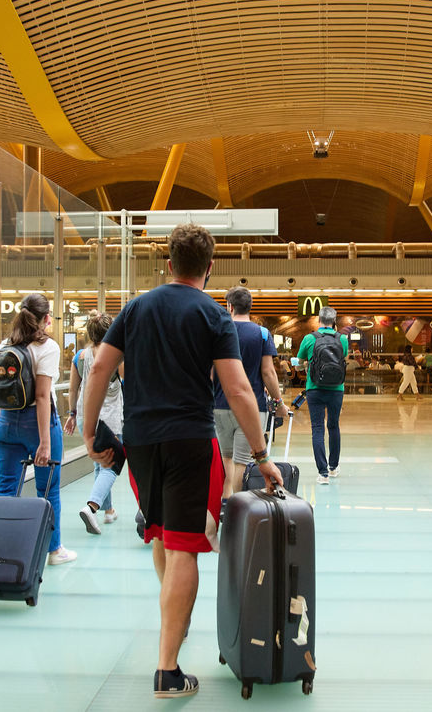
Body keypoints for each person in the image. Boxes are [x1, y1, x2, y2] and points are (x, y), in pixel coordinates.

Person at [80, 224, 280, 699]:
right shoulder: (213, 317)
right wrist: (261, 455)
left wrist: (89, 432)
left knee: (161, 534)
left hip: (142, 443)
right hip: (190, 440)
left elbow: (100, 369)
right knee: (185, 546)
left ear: (168, 263)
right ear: (209, 269)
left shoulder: (135, 308)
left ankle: (175, 619)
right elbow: (237, 390)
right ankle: (167, 670)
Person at [0, 293, 75, 566]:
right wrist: (44, 443)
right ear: (46, 318)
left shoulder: (6, 344)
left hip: (6, 423)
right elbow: (42, 396)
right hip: (37, 425)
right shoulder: (48, 347)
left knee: (6, 489)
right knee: (48, 490)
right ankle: (54, 550)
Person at [214, 286, 289, 498]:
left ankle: (225, 503)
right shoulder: (262, 333)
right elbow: (268, 373)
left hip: (220, 405)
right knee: (241, 461)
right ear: (250, 306)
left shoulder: (218, 332)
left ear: (229, 306)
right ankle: (237, 507)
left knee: (226, 458)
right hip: (252, 407)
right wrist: (278, 402)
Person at [65, 311, 126, 534]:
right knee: (112, 464)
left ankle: (108, 511)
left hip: (84, 416)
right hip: (109, 419)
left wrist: (72, 414)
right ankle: (92, 506)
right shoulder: (116, 356)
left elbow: (73, 389)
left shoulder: (79, 356)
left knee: (99, 463)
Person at [297, 306, 348, 484]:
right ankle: (333, 467)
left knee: (317, 428)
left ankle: (323, 473)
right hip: (336, 389)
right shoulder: (342, 339)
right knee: (333, 426)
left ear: (319, 320)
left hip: (314, 389)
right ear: (334, 322)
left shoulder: (309, 339)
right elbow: (342, 359)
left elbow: (299, 364)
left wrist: (304, 365)